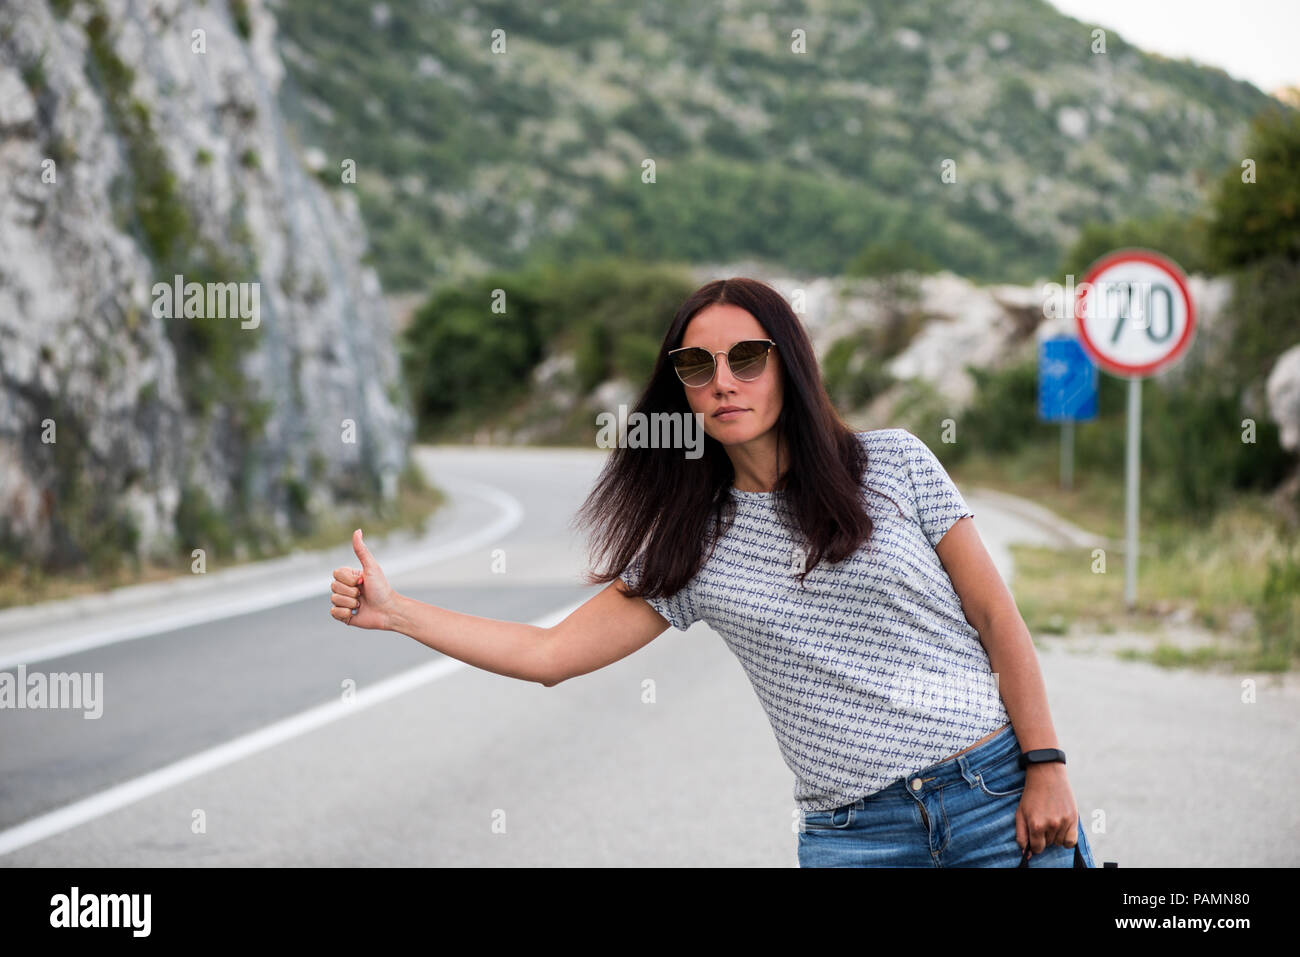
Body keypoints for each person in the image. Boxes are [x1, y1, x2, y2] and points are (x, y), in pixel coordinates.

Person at [328, 276, 1096, 868]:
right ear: (682, 388)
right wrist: (398, 612)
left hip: (995, 795)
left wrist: (1046, 763)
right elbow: (549, 656)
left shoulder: (894, 463)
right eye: (698, 365)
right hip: (856, 839)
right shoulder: (690, 542)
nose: (723, 380)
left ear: (786, 366)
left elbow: (1000, 624)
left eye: (747, 358)